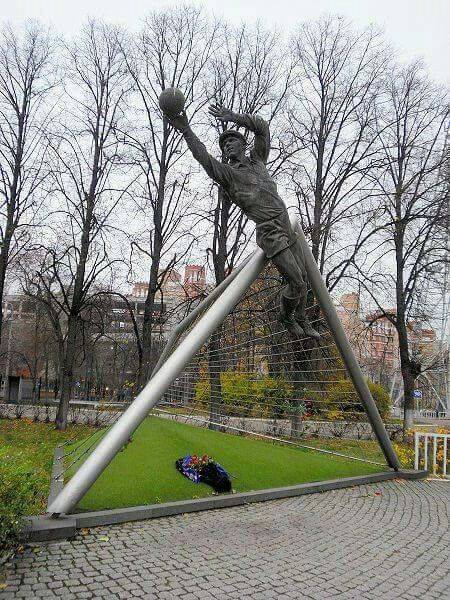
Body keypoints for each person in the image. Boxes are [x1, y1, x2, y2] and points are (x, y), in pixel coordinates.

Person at [166, 104, 320, 340]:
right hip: (271, 232)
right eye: (224, 144)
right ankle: (287, 317)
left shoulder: (258, 161)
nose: (227, 144)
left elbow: (262, 128)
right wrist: (186, 129)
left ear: (243, 144)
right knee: (297, 282)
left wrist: (234, 118)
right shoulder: (228, 175)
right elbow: (203, 157)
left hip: (287, 226)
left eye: (232, 140)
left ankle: (301, 318)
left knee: (305, 279)